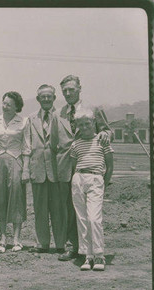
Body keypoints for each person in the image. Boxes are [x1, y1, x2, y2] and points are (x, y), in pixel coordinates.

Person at [54, 75, 112, 261]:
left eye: (72, 89)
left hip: (90, 162)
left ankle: (94, 250)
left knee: (91, 211)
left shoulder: (93, 108)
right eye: (65, 91)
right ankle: (74, 247)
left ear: (80, 88)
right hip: (67, 165)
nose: (68, 93)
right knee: (71, 208)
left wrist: (104, 133)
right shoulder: (60, 112)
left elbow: (107, 130)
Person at [0, 91, 27, 253]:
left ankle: (17, 238)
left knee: (16, 198)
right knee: (0, 197)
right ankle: (2, 238)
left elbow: (26, 146)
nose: (5, 107)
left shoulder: (23, 122)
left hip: (16, 161)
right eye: (4, 103)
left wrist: (25, 167)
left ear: (17, 107)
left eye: (9, 104)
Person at [69, 111, 113, 271]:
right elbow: (74, 166)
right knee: (82, 219)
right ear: (77, 126)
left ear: (94, 122)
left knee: (94, 218)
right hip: (79, 179)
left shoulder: (103, 141)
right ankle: (87, 255)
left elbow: (110, 166)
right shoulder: (76, 144)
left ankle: (99, 254)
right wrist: (77, 181)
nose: (84, 127)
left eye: (87, 123)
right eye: (81, 124)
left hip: (96, 179)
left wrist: (103, 183)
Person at [22, 85, 64, 253]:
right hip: (37, 169)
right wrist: (26, 168)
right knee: (39, 209)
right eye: (43, 97)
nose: (46, 99)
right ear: (38, 99)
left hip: (57, 169)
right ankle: (42, 243)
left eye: (49, 96)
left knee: (58, 209)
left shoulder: (62, 116)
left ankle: (61, 244)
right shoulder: (31, 119)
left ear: (54, 97)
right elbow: (26, 145)